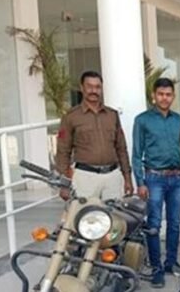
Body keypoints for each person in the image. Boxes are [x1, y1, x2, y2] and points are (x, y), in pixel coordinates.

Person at [132, 78, 180, 288]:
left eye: (168, 94)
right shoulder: (142, 120)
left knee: (175, 223)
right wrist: (140, 182)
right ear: (154, 95)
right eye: (161, 94)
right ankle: (156, 269)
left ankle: (171, 263)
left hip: (177, 178)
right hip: (154, 179)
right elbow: (136, 154)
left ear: (173, 96)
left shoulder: (178, 120)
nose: (165, 98)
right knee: (153, 224)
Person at [55, 71, 132, 201]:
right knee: (86, 213)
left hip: (112, 176)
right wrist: (64, 183)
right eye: (89, 86)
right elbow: (63, 151)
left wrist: (127, 178)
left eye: (97, 87)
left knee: (114, 213)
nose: (94, 91)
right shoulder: (71, 117)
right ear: (82, 88)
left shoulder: (112, 115)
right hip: (85, 177)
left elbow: (121, 148)